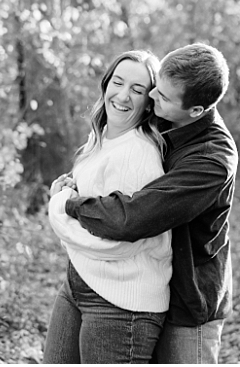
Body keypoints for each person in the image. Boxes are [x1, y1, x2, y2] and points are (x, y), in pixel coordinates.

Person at [57, 43, 238, 364]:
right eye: (155, 88)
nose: (151, 98)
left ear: (197, 110)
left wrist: (70, 204)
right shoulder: (166, 113)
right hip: (138, 277)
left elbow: (133, 217)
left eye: (163, 97)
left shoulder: (211, 160)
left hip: (186, 301)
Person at [44, 49, 172, 363]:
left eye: (137, 90)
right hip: (79, 282)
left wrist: (58, 207)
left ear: (148, 102)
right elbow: (93, 207)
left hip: (121, 303)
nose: (123, 96)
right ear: (106, 83)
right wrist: (70, 191)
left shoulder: (139, 155)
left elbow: (122, 240)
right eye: (118, 82)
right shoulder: (101, 139)